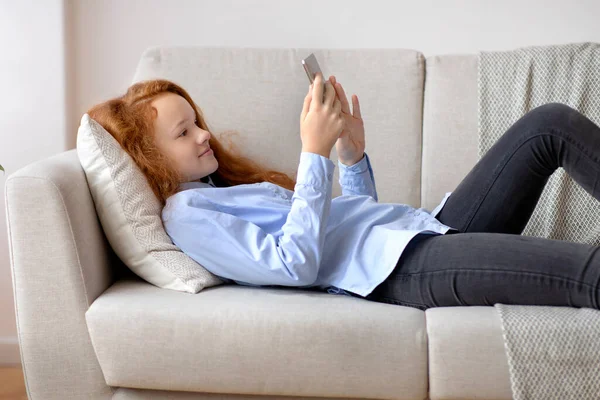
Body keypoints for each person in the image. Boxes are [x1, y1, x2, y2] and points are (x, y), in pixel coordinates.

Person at [87, 73, 600, 311]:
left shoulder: (224, 187)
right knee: (586, 272)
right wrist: (311, 155)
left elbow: (354, 221)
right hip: (407, 268)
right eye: (183, 133)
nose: (203, 134)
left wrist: (349, 156)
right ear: (149, 160)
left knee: (547, 125)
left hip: (425, 230)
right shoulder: (187, 215)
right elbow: (296, 266)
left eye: (196, 121)